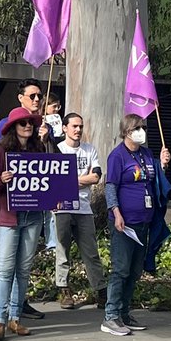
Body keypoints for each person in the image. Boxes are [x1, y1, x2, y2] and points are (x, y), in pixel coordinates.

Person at [101, 114, 171, 336]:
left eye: (144, 127)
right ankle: (110, 316)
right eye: (137, 128)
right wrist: (116, 211)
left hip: (144, 221)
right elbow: (110, 186)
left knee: (134, 270)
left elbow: (154, 179)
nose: (142, 131)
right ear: (126, 131)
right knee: (121, 269)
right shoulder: (117, 156)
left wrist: (163, 165)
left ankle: (124, 312)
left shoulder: (146, 154)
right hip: (125, 223)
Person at [0, 107, 47, 340]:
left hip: (32, 216)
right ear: (13, 128)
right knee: (5, 270)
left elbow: (48, 181)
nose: (28, 126)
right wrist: (2, 179)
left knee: (23, 270)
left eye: (30, 123)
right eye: (23, 124)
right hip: (8, 217)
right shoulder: (3, 150)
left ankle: (15, 317)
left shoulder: (38, 149)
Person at [54, 112, 106, 309]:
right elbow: (55, 180)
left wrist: (69, 181)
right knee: (63, 249)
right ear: (64, 128)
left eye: (80, 126)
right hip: (61, 207)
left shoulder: (89, 150)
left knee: (90, 251)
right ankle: (63, 288)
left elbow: (96, 177)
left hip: (84, 207)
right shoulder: (57, 149)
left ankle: (100, 290)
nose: (78, 130)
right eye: (74, 126)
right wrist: (79, 181)